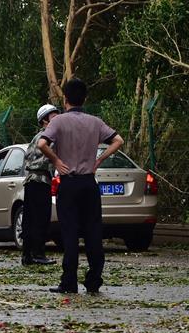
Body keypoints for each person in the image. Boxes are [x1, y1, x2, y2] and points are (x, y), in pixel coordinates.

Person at [38, 78, 124, 294]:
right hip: (89, 183)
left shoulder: (59, 122)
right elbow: (118, 141)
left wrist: (57, 161)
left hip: (68, 183)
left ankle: (69, 282)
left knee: (70, 232)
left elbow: (42, 143)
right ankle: (94, 279)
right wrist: (99, 160)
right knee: (93, 231)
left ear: (65, 99)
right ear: (84, 98)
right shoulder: (95, 122)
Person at [21, 105, 60, 266]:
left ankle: (27, 255)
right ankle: (38, 254)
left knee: (29, 219)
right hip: (40, 180)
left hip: (31, 181)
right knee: (40, 218)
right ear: (45, 120)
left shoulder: (37, 136)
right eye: (53, 115)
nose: (57, 117)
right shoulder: (48, 137)